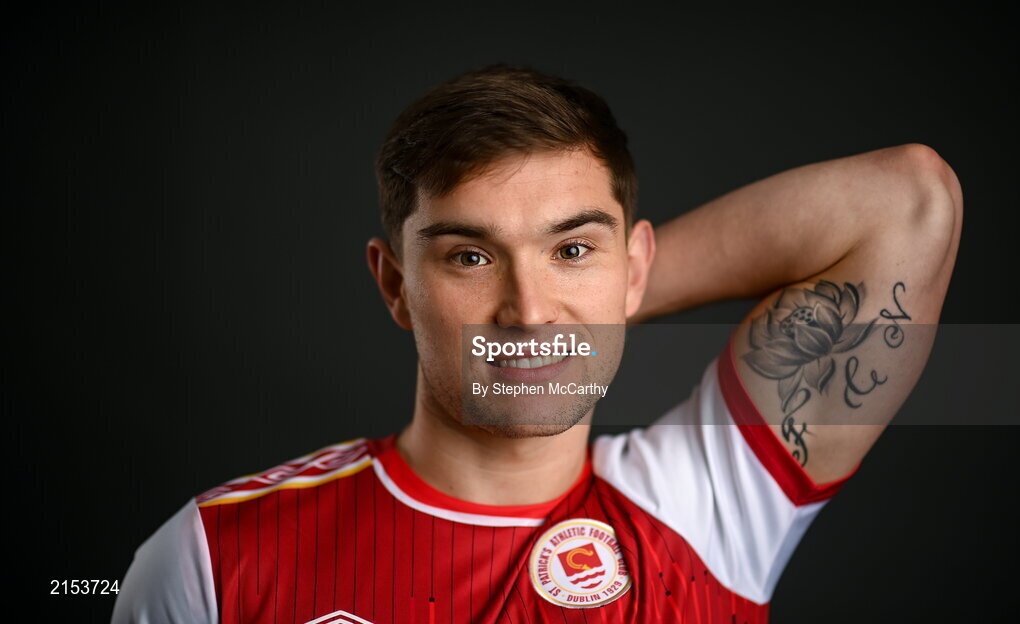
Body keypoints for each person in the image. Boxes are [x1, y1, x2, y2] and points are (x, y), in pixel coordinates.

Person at [112, 63, 962, 623]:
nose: (526, 306)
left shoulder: (705, 507)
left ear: (634, 270)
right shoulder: (212, 557)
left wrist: (585, 317)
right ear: (395, 285)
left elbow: (907, 200)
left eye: (572, 249)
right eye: (470, 257)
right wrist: (579, 305)